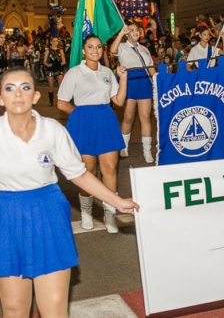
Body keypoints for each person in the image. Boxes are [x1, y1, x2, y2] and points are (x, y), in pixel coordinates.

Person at [0, 66, 138, 317]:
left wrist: (116, 201)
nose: (18, 94)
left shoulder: (52, 130)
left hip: (47, 215)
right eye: (10, 88)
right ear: (1, 97)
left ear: (36, 96)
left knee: (54, 308)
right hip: (6, 217)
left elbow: (80, 174)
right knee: (14, 310)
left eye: (26, 87)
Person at [57, 34, 129, 234]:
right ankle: (87, 213)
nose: (95, 50)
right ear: (83, 50)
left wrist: (122, 79)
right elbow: (62, 102)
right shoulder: (74, 73)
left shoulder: (107, 71)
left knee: (110, 168)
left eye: (98, 47)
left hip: (106, 120)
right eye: (91, 47)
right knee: (87, 171)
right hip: (83, 122)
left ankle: (110, 214)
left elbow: (119, 101)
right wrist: (80, 115)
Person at [110, 24, 157, 163]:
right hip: (128, 82)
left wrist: (158, 81)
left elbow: (151, 69)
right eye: (131, 30)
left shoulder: (144, 49)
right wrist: (120, 34)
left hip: (144, 82)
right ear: (126, 33)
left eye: (137, 30)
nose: (135, 32)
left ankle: (147, 150)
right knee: (128, 116)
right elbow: (112, 51)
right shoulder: (122, 47)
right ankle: (124, 146)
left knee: (146, 117)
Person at [43, 36, 66, 107]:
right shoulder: (48, 50)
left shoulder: (60, 50)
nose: (55, 42)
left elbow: (64, 61)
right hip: (51, 69)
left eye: (56, 41)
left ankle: (60, 100)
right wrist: (48, 65)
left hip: (59, 69)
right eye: (54, 41)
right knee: (51, 86)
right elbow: (44, 61)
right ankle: (51, 101)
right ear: (50, 42)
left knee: (61, 85)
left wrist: (60, 64)